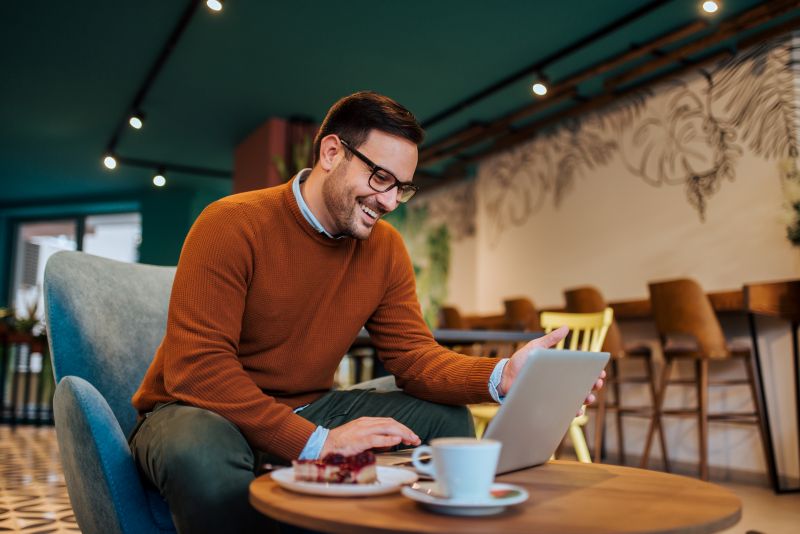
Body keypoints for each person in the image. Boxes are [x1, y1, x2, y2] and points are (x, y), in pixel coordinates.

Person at [129, 91, 601, 533]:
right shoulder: (230, 224)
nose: (391, 202)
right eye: (381, 179)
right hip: (196, 410)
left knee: (445, 421)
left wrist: (502, 376)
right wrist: (317, 443)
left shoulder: (385, 249)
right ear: (331, 153)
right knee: (199, 453)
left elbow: (413, 359)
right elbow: (199, 371)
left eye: (403, 188)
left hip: (310, 406)